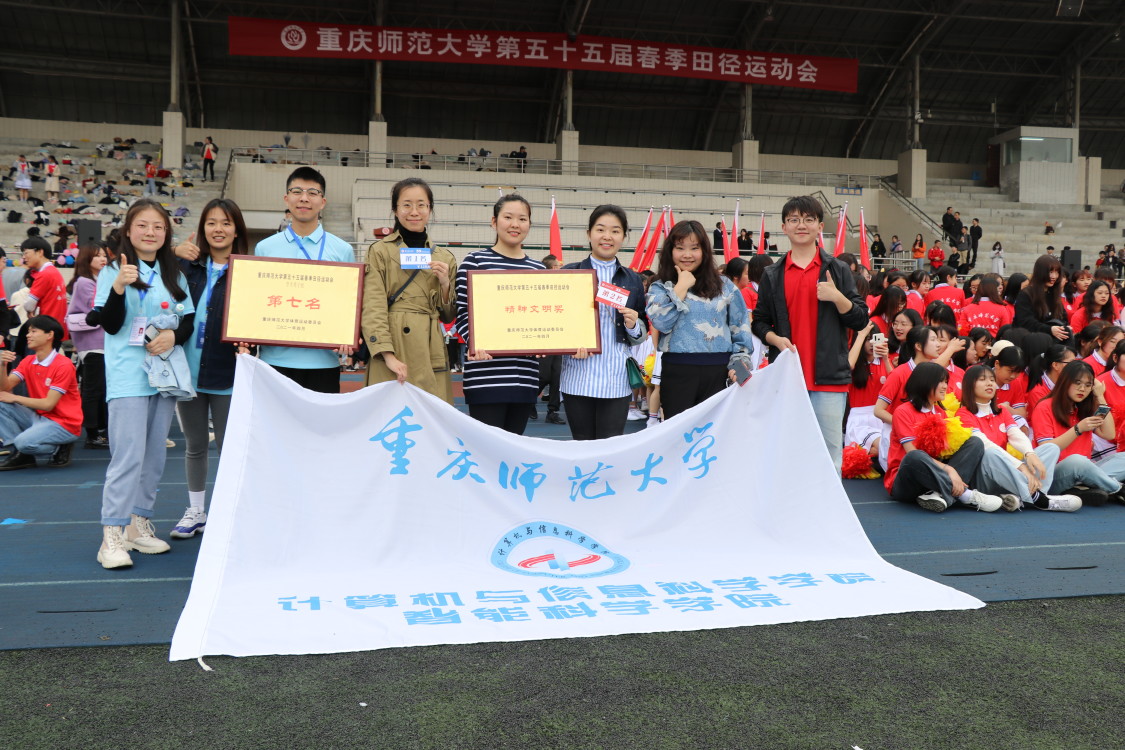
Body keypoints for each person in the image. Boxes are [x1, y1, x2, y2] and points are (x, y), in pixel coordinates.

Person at [92, 198, 196, 569]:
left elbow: (187, 320)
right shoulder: (113, 271)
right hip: (129, 375)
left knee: (154, 455)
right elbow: (110, 324)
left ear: (166, 233)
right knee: (128, 456)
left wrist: (173, 337)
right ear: (128, 229)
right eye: (143, 225)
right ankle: (112, 535)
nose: (150, 232)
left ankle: (138, 526)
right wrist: (119, 287)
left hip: (163, 375)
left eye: (158, 226)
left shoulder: (173, 274)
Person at [751, 195, 869, 473]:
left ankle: (829, 504)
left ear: (820, 226)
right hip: (787, 379)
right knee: (786, 455)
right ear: (784, 227)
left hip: (829, 379)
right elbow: (759, 322)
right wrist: (775, 339)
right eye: (794, 220)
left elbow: (860, 318)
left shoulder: (837, 269)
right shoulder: (772, 274)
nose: (801, 225)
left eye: (808, 219)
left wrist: (837, 297)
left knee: (829, 457)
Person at [170, 198, 248, 539]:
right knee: (195, 444)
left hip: (227, 371)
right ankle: (196, 511)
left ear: (237, 230)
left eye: (226, 223)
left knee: (229, 448)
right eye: (212, 222)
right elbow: (147, 264)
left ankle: (230, 511)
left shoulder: (249, 271)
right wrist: (173, 251)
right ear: (202, 228)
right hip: (186, 371)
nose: (219, 229)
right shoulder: (187, 266)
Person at [255, 167, 357, 394]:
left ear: (323, 202)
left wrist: (347, 335)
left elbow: (348, 305)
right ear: (286, 198)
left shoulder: (342, 250)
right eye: (297, 191)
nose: (304, 198)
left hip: (324, 363)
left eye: (312, 193)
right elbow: (258, 302)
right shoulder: (265, 248)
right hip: (274, 361)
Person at [455, 195, 545, 434]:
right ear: (494, 222)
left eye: (522, 219)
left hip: (525, 377)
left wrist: (546, 340)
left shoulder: (538, 270)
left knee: (514, 448)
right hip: (485, 376)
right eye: (508, 217)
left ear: (529, 224)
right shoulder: (474, 262)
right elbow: (462, 312)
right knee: (486, 449)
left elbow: (543, 318)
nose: (515, 224)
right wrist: (476, 343)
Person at [647, 220, 754, 421]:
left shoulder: (725, 286)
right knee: (679, 434)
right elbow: (661, 323)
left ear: (704, 251)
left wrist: (739, 363)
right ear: (670, 251)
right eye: (680, 248)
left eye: (694, 248)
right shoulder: (660, 287)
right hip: (677, 372)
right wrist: (681, 287)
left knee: (715, 434)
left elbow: (740, 329)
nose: (687, 254)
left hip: (719, 372)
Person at [362, 177, 457, 402]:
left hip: (429, 349)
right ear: (395, 210)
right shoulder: (379, 251)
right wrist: (387, 355)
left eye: (421, 205)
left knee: (429, 415)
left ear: (430, 209)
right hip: (393, 348)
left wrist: (445, 284)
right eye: (406, 205)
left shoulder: (444, 257)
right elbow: (373, 306)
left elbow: (448, 316)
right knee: (388, 415)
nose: (414, 212)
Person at [559, 205, 648, 440]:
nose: (607, 236)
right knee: (583, 443)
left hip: (616, 377)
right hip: (577, 376)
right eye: (600, 229)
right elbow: (558, 322)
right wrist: (568, 343)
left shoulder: (632, 279)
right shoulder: (570, 273)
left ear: (624, 237)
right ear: (589, 233)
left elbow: (642, 334)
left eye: (615, 231)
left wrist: (632, 324)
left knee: (610, 445)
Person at [885, 362, 1006, 512]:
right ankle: (965, 495)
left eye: (946, 382)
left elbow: (947, 451)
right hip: (907, 480)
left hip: (934, 477)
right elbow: (911, 451)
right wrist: (950, 470)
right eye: (940, 382)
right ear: (925, 382)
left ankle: (939, 495)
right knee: (914, 456)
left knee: (975, 442)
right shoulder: (903, 411)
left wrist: (951, 466)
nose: (945, 387)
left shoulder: (940, 412)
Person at [958, 364, 1080, 511]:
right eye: (982, 379)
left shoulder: (1001, 410)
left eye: (992, 379)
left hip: (1008, 474)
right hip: (985, 478)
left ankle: (1034, 495)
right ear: (970, 385)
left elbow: (1016, 435)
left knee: (1050, 448)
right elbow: (986, 445)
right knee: (991, 453)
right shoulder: (963, 414)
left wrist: (1030, 454)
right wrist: (1021, 467)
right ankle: (1039, 499)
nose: (990, 383)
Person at [1030, 360, 1125, 506]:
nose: (1082, 389)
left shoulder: (1083, 408)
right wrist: (1077, 429)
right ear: (1065, 382)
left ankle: (1085, 488)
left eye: (1088, 385)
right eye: (1077, 383)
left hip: (1083, 471)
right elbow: (1047, 448)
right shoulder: (1045, 407)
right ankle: (1118, 489)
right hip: (1053, 475)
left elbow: (1109, 434)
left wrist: (1100, 397)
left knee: (1121, 458)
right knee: (1077, 461)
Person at [0, 315, 82, 470]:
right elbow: (4, 389)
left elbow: (48, 404)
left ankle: (59, 446)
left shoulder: (63, 365)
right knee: (1, 402)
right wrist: (2, 365)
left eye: (33, 331)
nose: (28, 335)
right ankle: (21, 452)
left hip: (64, 423)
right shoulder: (28, 361)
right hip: (40, 417)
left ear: (49, 335)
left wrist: (14, 398)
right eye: (28, 331)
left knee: (23, 442)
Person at [65, 243, 110, 448]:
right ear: (86, 259)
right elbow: (97, 308)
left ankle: (98, 430)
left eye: (104, 255)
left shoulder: (95, 280)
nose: (103, 259)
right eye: (97, 256)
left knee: (99, 388)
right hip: (93, 343)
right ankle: (93, 434)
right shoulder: (85, 282)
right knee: (94, 389)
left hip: (98, 342)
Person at [845, 321, 893, 460]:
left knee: (883, 448)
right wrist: (860, 337)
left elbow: (895, 384)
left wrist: (886, 359)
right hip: (859, 420)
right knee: (879, 447)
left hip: (881, 417)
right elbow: (848, 365)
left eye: (875, 339)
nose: (872, 344)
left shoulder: (885, 362)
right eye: (867, 339)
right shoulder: (854, 363)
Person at [534, 254, 565, 424]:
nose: (560, 267)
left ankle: (553, 411)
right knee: (544, 375)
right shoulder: (539, 288)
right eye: (558, 265)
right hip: (543, 338)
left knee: (557, 377)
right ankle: (529, 402)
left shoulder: (562, 288)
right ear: (552, 268)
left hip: (559, 337)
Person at [19, 237, 69, 342]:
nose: (24, 257)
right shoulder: (54, 271)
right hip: (57, 327)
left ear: (40, 252)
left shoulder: (44, 274)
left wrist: (30, 309)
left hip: (46, 330)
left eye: (26, 253)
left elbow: (29, 305)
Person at [1014, 254, 1072, 344]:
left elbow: (1062, 317)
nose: (1054, 276)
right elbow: (1025, 321)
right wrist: (1049, 329)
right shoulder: (1026, 294)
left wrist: (1065, 328)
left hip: (1054, 341)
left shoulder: (1054, 294)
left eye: (1057, 272)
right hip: (1031, 341)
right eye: (1050, 272)